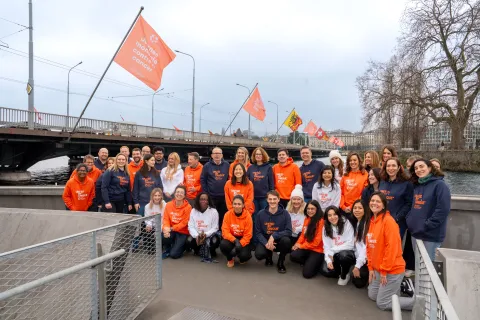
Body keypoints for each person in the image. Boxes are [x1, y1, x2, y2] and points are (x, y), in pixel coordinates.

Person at [367, 192, 414, 311]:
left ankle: (419, 302)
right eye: (372, 200)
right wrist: (371, 267)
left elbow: (392, 249)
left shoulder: (389, 222)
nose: (374, 203)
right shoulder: (372, 220)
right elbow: (370, 246)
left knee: (382, 303)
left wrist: (384, 271)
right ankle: (396, 289)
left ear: (383, 206)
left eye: (378, 201)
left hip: (391, 269)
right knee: (372, 295)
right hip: (378, 268)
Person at [407, 159, 451, 261]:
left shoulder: (440, 185)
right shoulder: (416, 185)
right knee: (418, 263)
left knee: (428, 267)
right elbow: (413, 205)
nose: (419, 170)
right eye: (416, 168)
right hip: (415, 232)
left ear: (430, 168)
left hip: (431, 234)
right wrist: (410, 221)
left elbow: (443, 209)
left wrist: (427, 225)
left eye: (421, 166)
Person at [255, 190, 292, 274]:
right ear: (267, 200)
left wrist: (274, 236)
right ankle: (268, 257)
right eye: (270, 199)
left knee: (286, 241)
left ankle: (281, 262)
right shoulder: (260, 214)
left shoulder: (285, 213)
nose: (272, 201)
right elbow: (258, 232)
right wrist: (266, 243)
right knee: (259, 255)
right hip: (266, 239)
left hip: (279, 240)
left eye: (274, 199)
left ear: (278, 199)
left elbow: (289, 231)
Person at [290, 200, 325, 279]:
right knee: (293, 255)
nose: (310, 211)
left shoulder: (321, 222)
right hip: (307, 247)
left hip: (317, 250)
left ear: (317, 209)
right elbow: (303, 235)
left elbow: (316, 243)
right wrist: (297, 244)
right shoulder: (307, 219)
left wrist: (301, 246)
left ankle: (318, 263)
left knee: (307, 274)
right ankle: (309, 261)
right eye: (308, 209)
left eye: (312, 209)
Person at [321, 206, 356, 285]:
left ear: (339, 215)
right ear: (326, 217)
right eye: (329, 215)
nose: (332, 217)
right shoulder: (325, 227)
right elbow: (326, 246)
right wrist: (328, 260)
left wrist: (333, 250)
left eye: (334, 214)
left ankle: (345, 274)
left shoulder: (346, 223)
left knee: (343, 256)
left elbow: (350, 244)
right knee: (326, 271)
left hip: (346, 251)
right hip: (333, 253)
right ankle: (339, 269)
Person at [379, 158, 413, 237]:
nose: (391, 168)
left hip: (397, 222)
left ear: (398, 168)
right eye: (388, 166)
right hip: (381, 220)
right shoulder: (382, 181)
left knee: (393, 246)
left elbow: (409, 204)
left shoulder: (407, 183)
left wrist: (397, 218)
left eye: (394, 166)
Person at [247, 147, 274, 246]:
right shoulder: (250, 168)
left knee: (265, 220)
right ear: (254, 156)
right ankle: (255, 241)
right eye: (256, 154)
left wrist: (270, 198)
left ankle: (264, 241)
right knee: (254, 220)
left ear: (263, 156)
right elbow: (246, 183)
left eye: (260, 154)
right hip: (253, 198)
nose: (258, 156)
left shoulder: (268, 167)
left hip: (264, 198)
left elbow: (271, 184)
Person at [220, 195, 253, 267]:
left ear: (243, 205)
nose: (237, 206)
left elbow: (248, 235)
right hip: (232, 238)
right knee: (223, 245)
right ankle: (230, 258)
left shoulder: (248, 216)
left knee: (244, 255)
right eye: (235, 204)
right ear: (232, 204)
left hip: (243, 238)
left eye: (239, 204)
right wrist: (235, 240)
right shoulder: (227, 214)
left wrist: (239, 244)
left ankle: (240, 257)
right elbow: (225, 231)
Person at [200, 147, 230, 228]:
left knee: (222, 216)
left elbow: (229, 179)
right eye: (215, 153)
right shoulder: (207, 166)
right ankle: (211, 232)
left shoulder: (227, 165)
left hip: (224, 197)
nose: (217, 155)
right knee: (211, 216)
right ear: (212, 155)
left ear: (222, 155)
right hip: (211, 196)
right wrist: (206, 193)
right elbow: (203, 180)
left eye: (219, 153)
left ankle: (221, 232)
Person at [187, 192, 220, 263]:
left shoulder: (214, 212)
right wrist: (196, 236)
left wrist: (205, 234)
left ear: (208, 201)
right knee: (189, 240)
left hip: (209, 235)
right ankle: (197, 250)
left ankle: (211, 251)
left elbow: (215, 227)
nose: (203, 201)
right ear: (198, 200)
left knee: (215, 241)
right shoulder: (193, 211)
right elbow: (190, 226)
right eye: (201, 199)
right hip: (197, 235)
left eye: (205, 199)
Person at [162, 185, 192, 259]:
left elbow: (184, 223)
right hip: (171, 230)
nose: (179, 194)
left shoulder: (188, 207)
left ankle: (184, 246)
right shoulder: (168, 205)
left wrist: (172, 228)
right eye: (177, 192)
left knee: (174, 255)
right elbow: (166, 219)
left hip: (182, 232)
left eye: (182, 192)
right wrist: (166, 229)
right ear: (174, 193)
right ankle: (169, 246)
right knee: (163, 236)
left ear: (184, 195)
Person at [351, 199, 370, 288]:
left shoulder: (368, 225)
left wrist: (357, 266)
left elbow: (365, 248)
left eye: (360, 208)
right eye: (355, 208)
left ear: (365, 210)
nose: (357, 210)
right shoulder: (356, 222)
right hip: (358, 256)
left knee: (359, 283)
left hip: (366, 258)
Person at [142, 188, 166, 254]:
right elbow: (147, 218)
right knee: (151, 251)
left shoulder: (165, 205)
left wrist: (158, 231)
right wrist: (149, 225)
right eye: (155, 195)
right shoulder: (147, 206)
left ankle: (163, 246)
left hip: (161, 226)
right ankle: (148, 245)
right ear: (152, 196)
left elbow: (164, 220)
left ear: (161, 196)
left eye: (159, 195)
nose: (157, 197)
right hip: (152, 226)